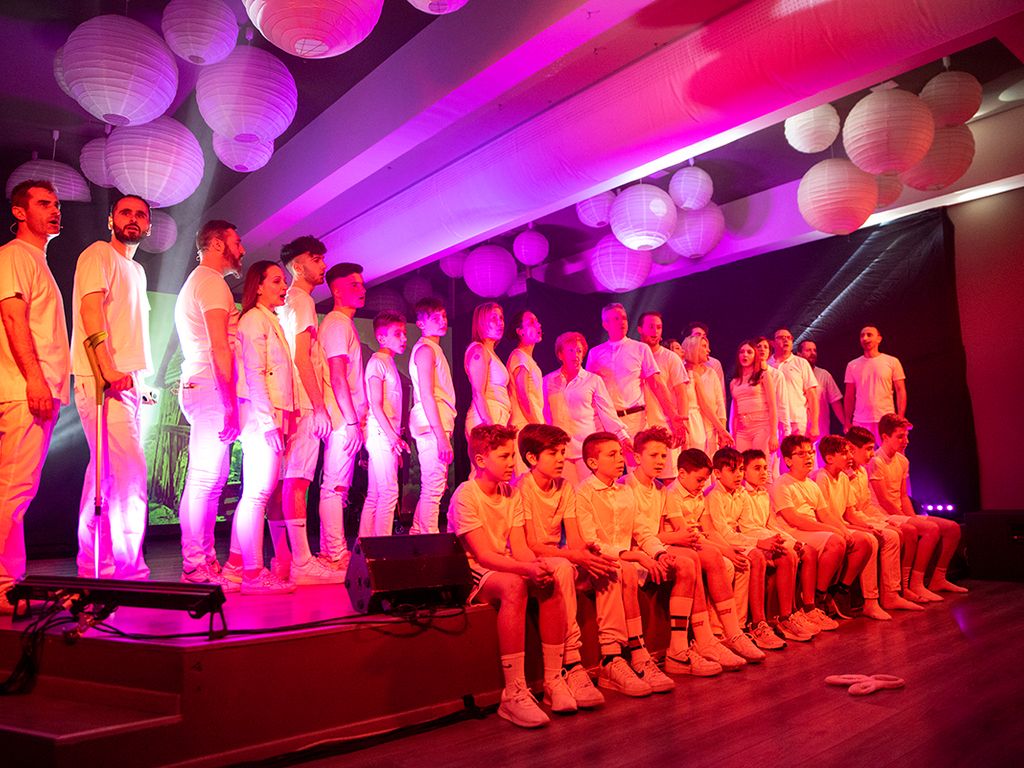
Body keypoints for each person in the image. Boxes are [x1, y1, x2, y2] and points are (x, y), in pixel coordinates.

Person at [447, 424, 573, 728]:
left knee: (552, 574)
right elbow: (483, 556)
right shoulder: (466, 495)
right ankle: (514, 692)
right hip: (474, 571)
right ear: (481, 460)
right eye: (503, 457)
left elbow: (519, 548)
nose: (511, 463)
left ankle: (554, 679)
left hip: (503, 564)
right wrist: (526, 569)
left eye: (511, 456)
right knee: (515, 585)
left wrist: (538, 567)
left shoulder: (511, 493)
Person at [71, 193, 152, 580]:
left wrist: (141, 383)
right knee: (128, 474)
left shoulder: (137, 270)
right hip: (104, 380)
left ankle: (95, 564)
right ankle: (127, 569)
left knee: (104, 476)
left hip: (128, 382)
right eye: (125, 212)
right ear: (111, 220)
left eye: (140, 215)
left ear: (148, 226)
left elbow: (129, 330)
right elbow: (90, 312)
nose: (132, 218)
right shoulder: (98, 254)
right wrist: (106, 369)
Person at [0, 180, 68, 613]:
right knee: (14, 487)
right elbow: (12, 316)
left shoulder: (35, 260)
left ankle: (11, 581)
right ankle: (4, 585)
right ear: (20, 211)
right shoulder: (16, 255)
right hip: (24, 389)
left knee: (15, 488)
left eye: (57, 204)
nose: (55, 209)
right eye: (44, 203)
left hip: (30, 388)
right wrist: (35, 380)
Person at [575, 431, 686, 691]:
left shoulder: (625, 491)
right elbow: (591, 542)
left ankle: (639, 654)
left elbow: (642, 531)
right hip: (598, 562)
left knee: (668, 564)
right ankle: (615, 656)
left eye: (619, 453)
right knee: (620, 569)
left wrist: (658, 553)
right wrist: (635, 555)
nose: (620, 459)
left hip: (624, 561)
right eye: (612, 455)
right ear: (592, 462)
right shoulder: (583, 493)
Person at [515, 423, 616, 707]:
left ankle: (616, 653)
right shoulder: (523, 488)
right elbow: (530, 544)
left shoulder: (565, 487)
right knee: (561, 566)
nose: (561, 459)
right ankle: (571, 661)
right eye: (553, 453)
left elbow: (574, 540)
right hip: (532, 559)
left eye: (562, 452)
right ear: (532, 458)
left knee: (611, 565)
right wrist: (574, 556)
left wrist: (587, 553)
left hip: (559, 556)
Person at [174, 219, 243, 590]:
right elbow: (219, 348)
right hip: (210, 387)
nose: (242, 249)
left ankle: (204, 559)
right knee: (204, 479)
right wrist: (230, 403)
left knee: (212, 480)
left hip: (202, 385)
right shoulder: (211, 283)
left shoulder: (200, 282)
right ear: (217, 244)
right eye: (237, 241)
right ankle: (194, 565)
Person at [276, 238, 343, 585]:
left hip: (291, 400)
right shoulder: (301, 300)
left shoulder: (289, 300)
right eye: (316, 259)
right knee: (297, 481)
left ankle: (286, 559)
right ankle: (302, 562)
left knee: (286, 482)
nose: (323, 265)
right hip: (302, 401)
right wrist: (318, 406)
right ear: (298, 266)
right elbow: (301, 357)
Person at [230, 260, 296, 595]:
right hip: (260, 417)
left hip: (268, 414)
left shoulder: (268, 319)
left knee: (256, 493)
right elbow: (255, 373)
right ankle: (253, 574)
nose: (284, 287)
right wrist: (270, 422)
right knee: (257, 493)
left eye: (283, 281)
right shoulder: (255, 319)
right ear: (257, 286)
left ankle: (236, 566)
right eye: (276, 281)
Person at [664, 449, 764, 668]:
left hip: (695, 542)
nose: (702, 485)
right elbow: (687, 535)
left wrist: (727, 548)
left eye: (704, 480)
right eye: (699, 480)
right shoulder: (672, 494)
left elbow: (708, 529)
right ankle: (711, 636)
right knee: (714, 557)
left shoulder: (697, 493)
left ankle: (733, 632)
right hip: (678, 543)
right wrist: (724, 550)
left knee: (728, 559)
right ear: (682, 474)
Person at [869, 414, 966, 597]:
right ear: (885, 437)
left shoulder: (902, 461)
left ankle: (938, 578)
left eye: (906, 436)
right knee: (930, 530)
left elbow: (903, 496)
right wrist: (908, 520)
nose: (906, 441)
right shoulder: (876, 461)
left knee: (953, 528)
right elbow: (884, 500)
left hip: (899, 513)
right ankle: (914, 583)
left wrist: (912, 517)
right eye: (900, 436)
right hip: (883, 515)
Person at [706, 447, 790, 650]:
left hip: (737, 540)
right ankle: (748, 625)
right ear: (717, 473)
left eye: (741, 469)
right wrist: (758, 543)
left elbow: (746, 526)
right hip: (720, 543)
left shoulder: (741, 493)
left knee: (783, 554)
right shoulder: (713, 496)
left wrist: (764, 541)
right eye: (732, 470)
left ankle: (754, 623)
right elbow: (723, 533)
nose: (738, 475)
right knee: (755, 557)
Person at [737, 450, 821, 640]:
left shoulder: (763, 493)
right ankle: (775, 618)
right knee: (787, 554)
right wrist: (784, 542)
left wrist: (791, 540)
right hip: (751, 541)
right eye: (757, 468)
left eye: (765, 468)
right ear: (744, 471)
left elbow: (770, 524)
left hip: (764, 537)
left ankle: (791, 613)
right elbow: (748, 528)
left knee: (802, 550)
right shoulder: (742, 495)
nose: (763, 472)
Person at [771, 435, 856, 621]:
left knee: (850, 539)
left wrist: (842, 528)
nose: (808, 457)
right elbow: (794, 519)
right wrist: (831, 530)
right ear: (788, 460)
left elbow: (825, 514)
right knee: (835, 542)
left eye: (810, 452)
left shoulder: (811, 484)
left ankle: (824, 594)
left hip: (808, 529)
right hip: (792, 532)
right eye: (801, 454)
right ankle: (816, 597)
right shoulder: (782, 483)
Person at [317, 262, 368, 566]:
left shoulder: (342, 323)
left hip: (344, 418)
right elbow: (337, 376)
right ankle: (335, 553)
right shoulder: (337, 324)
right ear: (336, 291)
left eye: (361, 284)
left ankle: (330, 551)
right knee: (335, 486)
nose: (362, 290)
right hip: (341, 419)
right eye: (353, 285)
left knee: (337, 486)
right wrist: (351, 422)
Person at [842, 428, 922, 612]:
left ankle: (892, 593)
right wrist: (871, 525)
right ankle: (871, 600)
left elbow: (866, 507)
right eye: (868, 449)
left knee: (895, 533)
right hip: (848, 522)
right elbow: (848, 513)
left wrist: (884, 521)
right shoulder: (843, 475)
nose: (872, 454)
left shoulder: (861, 472)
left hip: (862, 518)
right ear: (852, 448)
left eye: (872, 449)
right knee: (878, 538)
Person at [586, 303, 685, 446]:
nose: (622, 322)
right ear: (605, 325)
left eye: (624, 318)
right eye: (616, 319)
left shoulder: (640, 348)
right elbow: (590, 390)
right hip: (607, 421)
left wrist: (673, 415)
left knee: (637, 459)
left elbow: (657, 384)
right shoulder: (595, 353)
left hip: (635, 420)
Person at [813, 435, 888, 620]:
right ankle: (822, 595)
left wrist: (868, 526)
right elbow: (825, 515)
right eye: (844, 453)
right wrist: (844, 531)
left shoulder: (843, 478)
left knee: (869, 538)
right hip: (825, 526)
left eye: (849, 452)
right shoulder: (821, 477)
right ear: (830, 458)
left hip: (839, 523)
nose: (850, 457)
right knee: (865, 540)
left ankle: (842, 589)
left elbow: (850, 513)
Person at [543, 331, 630, 487]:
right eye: (570, 350)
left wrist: (622, 437)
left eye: (579, 351)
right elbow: (544, 414)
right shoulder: (548, 381)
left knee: (590, 490)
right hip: (560, 449)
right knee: (567, 492)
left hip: (586, 448)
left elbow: (607, 413)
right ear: (560, 354)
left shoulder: (593, 380)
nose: (576, 355)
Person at [408, 297, 455, 534]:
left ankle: (418, 533)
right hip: (431, 423)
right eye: (435, 318)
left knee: (435, 484)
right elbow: (427, 395)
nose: (442, 321)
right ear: (420, 324)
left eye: (443, 316)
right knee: (434, 486)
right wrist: (441, 437)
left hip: (435, 421)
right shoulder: (426, 349)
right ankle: (429, 538)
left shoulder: (433, 349)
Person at [360, 310, 409, 537]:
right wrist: (393, 438)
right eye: (397, 334)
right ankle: (381, 547)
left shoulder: (388, 363)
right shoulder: (377, 363)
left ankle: (366, 544)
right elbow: (376, 404)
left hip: (384, 434)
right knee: (389, 493)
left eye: (404, 333)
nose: (404, 338)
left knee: (376, 494)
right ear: (381, 338)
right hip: (380, 434)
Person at [637, 312, 689, 479]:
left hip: (665, 425)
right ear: (640, 329)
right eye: (651, 327)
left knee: (668, 477)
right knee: (640, 477)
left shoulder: (670, 358)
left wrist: (681, 424)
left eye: (658, 327)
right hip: (639, 424)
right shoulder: (634, 355)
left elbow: (682, 394)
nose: (655, 331)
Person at [843, 327, 907, 443]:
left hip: (886, 419)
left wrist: (900, 417)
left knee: (889, 453)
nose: (865, 338)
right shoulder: (852, 365)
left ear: (879, 339)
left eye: (869, 335)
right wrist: (847, 420)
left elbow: (900, 390)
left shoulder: (892, 362)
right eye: (862, 335)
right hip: (861, 420)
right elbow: (849, 395)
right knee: (862, 453)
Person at [464, 302, 511, 437]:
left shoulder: (490, 353)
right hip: (486, 416)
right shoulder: (479, 349)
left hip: (497, 415)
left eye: (501, 318)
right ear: (481, 323)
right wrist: (491, 427)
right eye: (493, 318)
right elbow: (478, 393)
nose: (500, 323)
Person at [680, 335, 731, 453]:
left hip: (711, 428)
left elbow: (720, 403)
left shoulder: (711, 373)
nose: (708, 350)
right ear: (693, 348)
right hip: (690, 425)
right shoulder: (681, 372)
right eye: (704, 346)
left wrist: (722, 429)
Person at [730, 339, 778, 458]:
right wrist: (733, 434)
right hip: (742, 430)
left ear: (755, 355)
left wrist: (773, 434)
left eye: (749, 352)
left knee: (761, 463)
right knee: (742, 464)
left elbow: (772, 406)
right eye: (742, 352)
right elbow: (734, 413)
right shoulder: (734, 382)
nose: (745, 355)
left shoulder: (763, 375)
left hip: (761, 427)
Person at [769, 328, 819, 440]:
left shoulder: (801, 363)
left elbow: (812, 395)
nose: (785, 340)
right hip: (773, 421)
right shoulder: (767, 365)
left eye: (789, 338)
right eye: (781, 338)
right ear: (773, 343)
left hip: (797, 420)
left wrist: (815, 425)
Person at [755, 336, 789, 480]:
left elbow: (782, 404)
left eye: (766, 347)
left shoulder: (776, 375)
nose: (762, 349)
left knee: (769, 468)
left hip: (770, 427)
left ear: (769, 352)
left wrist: (785, 431)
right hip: (751, 426)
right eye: (758, 346)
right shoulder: (748, 374)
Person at [797, 340, 843, 440]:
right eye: (808, 350)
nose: (813, 353)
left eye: (814, 350)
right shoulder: (793, 374)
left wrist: (845, 423)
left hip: (820, 430)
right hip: (798, 429)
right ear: (799, 354)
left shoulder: (824, 375)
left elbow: (835, 401)